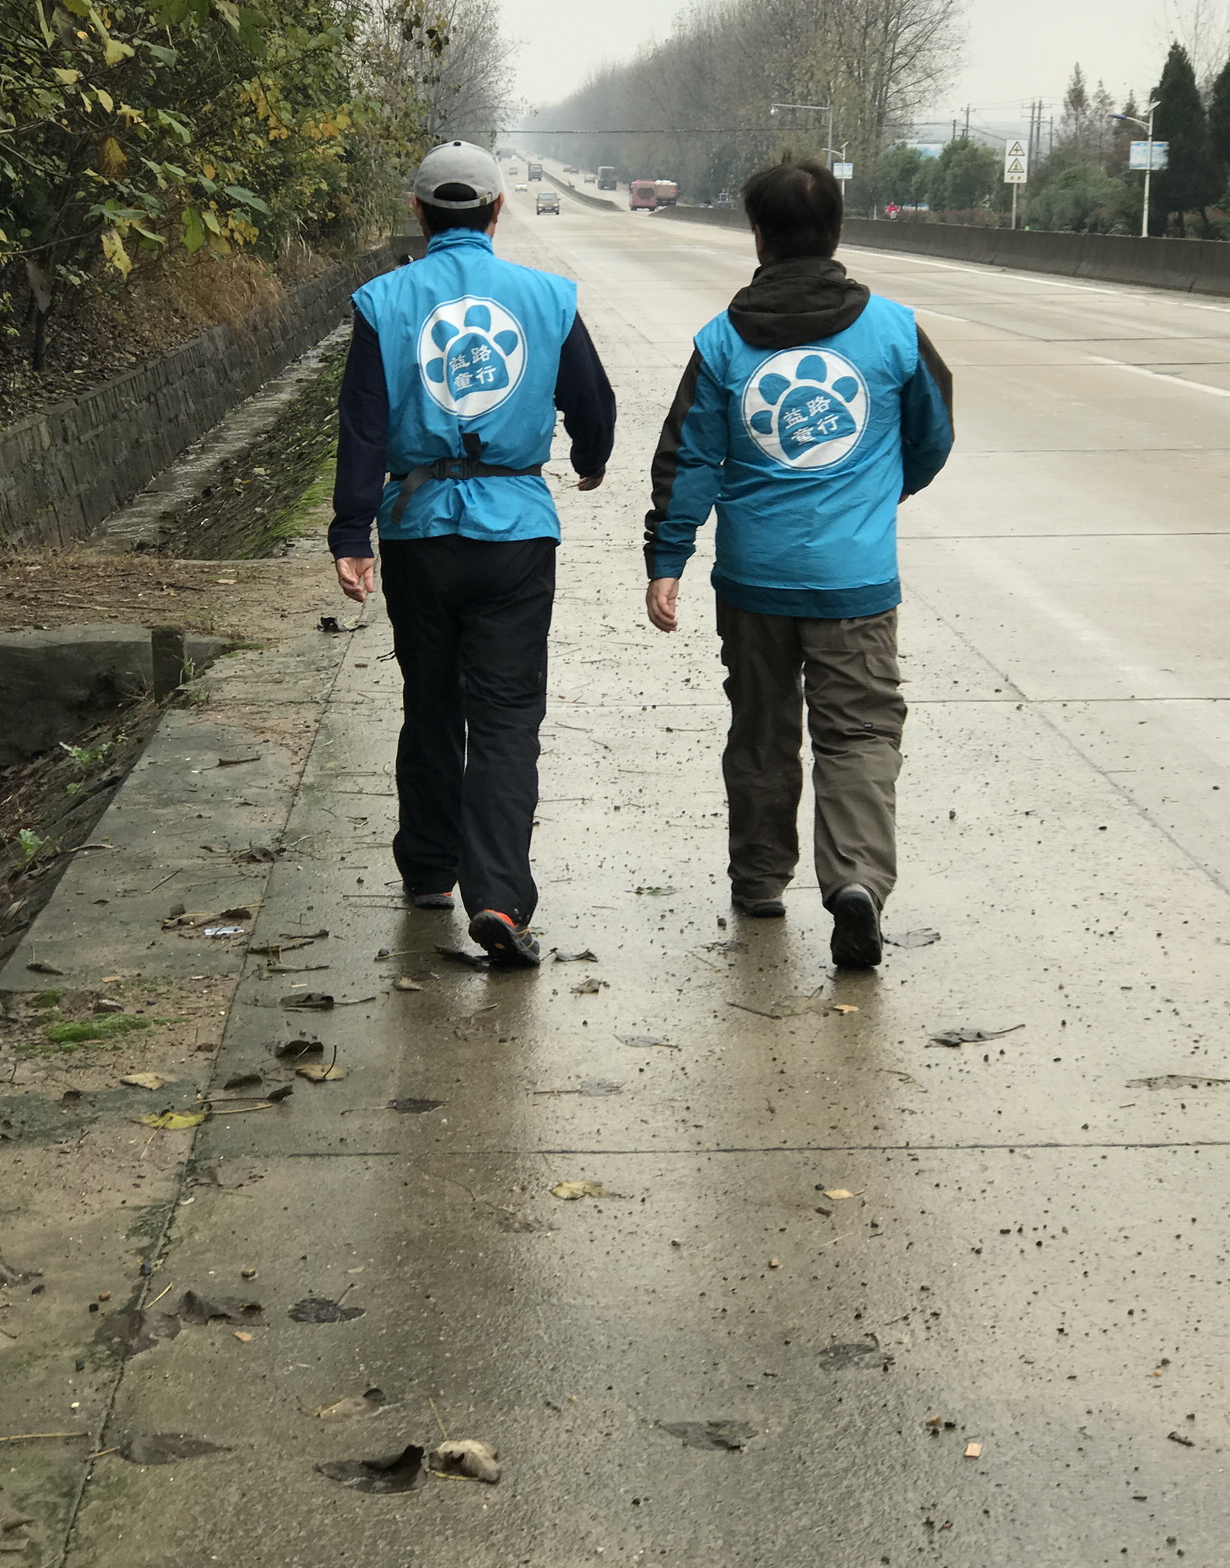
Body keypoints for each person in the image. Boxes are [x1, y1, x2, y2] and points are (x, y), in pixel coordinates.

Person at [642, 158, 953, 969]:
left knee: (762, 730)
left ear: (759, 236)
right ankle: (855, 881)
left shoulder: (720, 342)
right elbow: (933, 436)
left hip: (754, 581)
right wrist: (886, 489)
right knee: (860, 731)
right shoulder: (894, 331)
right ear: (838, 230)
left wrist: (667, 557)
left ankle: (759, 880)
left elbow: (689, 459)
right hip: (857, 582)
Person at [329, 140, 616, 965]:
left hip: (418, 534)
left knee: (430, 701)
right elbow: (592, 402)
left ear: (418, 214)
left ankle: (429, 869)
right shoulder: (548, 297)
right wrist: (589, 458)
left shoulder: (383, 302)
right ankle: (498, 897)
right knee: (506, 716)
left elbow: (363, 426)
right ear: (498, 210)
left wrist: (351, 533)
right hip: (516, 534)